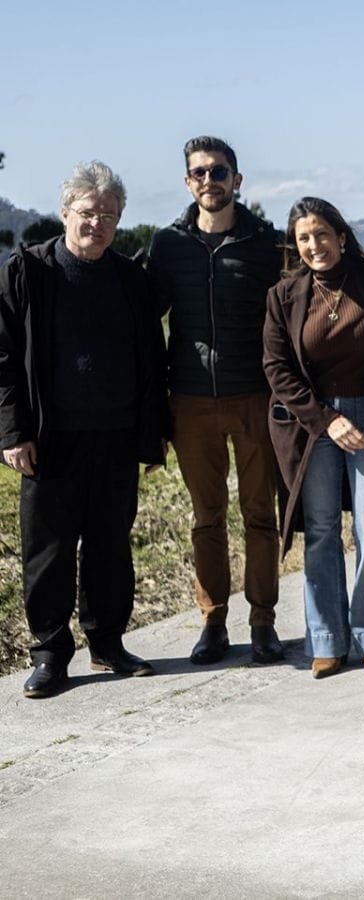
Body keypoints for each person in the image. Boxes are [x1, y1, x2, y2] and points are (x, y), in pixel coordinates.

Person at [0, 161, 168, 698]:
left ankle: (108, 643)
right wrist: (12, 432)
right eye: (88, 213)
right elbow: (4, 358)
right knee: (48, 551)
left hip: (116, 434)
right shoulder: (29, 271)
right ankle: (50, 653)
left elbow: (153, 357)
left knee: (110, 545)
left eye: (109, 216)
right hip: (51, 438)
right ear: (65, 212)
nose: (98, 223)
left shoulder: (131, 279)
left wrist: (154, 430)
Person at [146, 136, 284, 666]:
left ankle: (263, 622)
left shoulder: (266, 243)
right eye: (200, 173)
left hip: (254, 395)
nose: (210, 180)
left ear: (236, 180)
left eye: (219, 171)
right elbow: (143, 318)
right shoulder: (167, 245)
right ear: (188, 182)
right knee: (207, 517)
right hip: (190, 399)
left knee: (260, 514)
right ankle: (213, 622)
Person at [262, 197, 364, 678]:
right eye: (304, 237)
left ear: (341, 236)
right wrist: (325, 419)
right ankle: (326, 639)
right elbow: (276, 367)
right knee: (321, 530)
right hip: (313, 424)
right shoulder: (284, 294)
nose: (314, 244)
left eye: (322, 233)